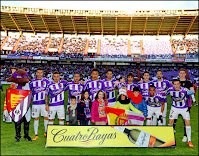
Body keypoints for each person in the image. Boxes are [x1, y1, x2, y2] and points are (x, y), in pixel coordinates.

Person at [167, 79, 197, 148]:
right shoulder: (170, 90)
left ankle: (189, 141)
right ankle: (169, 140)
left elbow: (191, 92)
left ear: (180, 84)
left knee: (187, 123)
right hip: (174, 108)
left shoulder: (184, 90)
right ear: (173, 84)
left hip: (184, 108)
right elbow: (163, 93)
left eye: (178, 84)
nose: (176, 85)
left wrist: (194, 99)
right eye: (175, 84)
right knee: (170, 122)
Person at [30, 67, 49, 141]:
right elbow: (29, 92)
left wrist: (47, 104)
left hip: (44, 103)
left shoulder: (46, 81)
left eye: (41, 72)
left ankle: (46, 132)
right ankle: (36, 134)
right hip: (35, 103)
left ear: (43, 73)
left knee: (46, 117)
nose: (39, 74)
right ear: (36, 73)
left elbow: (47, 93)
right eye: (38, 72)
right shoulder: (32, 82)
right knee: (36, 118)